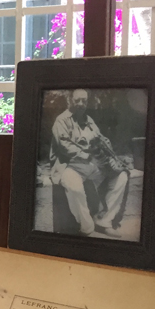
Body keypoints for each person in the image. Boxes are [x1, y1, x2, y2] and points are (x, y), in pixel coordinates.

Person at [50, 89, 130, 236]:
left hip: (92, 167)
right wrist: (88, 156)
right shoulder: (61, 120)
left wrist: (110, 157)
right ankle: (87, 228)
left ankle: (104, 220)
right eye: (77, 100)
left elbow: (101, 140)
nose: (81, 104)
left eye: (84, 101)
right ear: (70, 101)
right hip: (70, 166)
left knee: (121, 177)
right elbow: (64, 147)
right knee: (73, 187)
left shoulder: (89, 120)